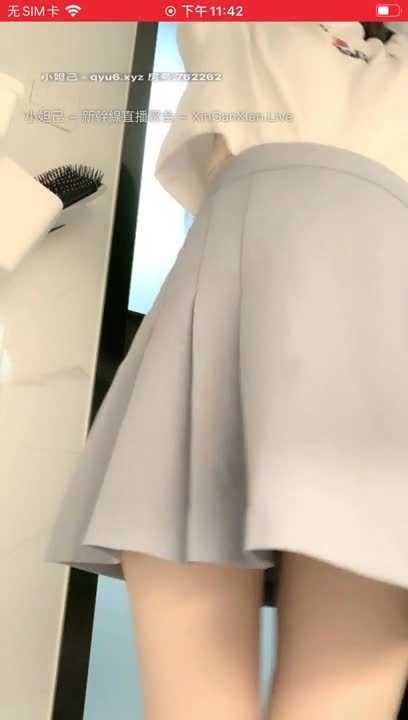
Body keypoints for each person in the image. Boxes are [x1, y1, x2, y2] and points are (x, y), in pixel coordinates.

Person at [46, 22, 408, 720]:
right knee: (198, 701)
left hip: (379, 334)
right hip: (228, 314)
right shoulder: (250, 25)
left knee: (339, 698)